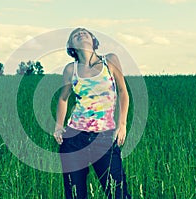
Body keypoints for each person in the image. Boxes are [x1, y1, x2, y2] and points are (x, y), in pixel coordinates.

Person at [53, 27, 131, 199]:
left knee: (118, 193)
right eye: (75, 34)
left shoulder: (109, 60)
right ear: (71, 46)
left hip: (104, 138)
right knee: (75, 195)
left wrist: (122, 123)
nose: (80, 33)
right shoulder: (70, 70)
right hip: (74, 139)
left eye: (85, 32)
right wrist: (59, 126)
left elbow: (123, 91)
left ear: (93, 40)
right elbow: (63, 99)